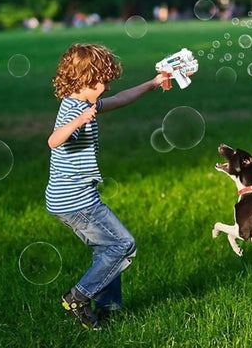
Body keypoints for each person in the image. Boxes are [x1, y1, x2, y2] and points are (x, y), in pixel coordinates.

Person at [45, 43, 165, 330]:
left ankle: (108, 307)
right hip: (75, 201)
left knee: (106, 247)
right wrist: (78, 121)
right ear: (84, 81)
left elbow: (122, 99)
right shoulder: (73, 110)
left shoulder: (87, 102)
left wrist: (153, 83)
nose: (108, 88)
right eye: (103, 82)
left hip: (74, 197)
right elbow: (53, 140)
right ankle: (78, 297)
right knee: (123, 244)